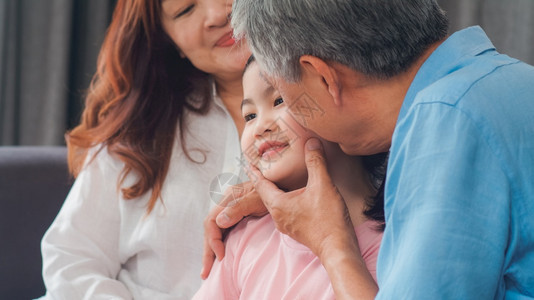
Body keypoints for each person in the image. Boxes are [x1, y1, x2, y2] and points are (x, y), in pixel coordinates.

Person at [202, 0, 534, 298]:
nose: (266, 123)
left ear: (323, 77)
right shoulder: (508, 83)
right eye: (249, 115)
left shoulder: (447, 123)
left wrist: (333, 245)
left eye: (283, 97)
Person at [40, 0, 251, 299]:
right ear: (171, 41)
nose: (217, 14)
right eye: (185, 10)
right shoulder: (138, 130)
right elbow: (71, 260)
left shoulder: (332, 113)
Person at [193, 56, 384, 299]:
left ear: (334, 93)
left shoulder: (394, 244)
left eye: (279, 100)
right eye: (250, 116)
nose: (260, 126)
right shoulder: (246, 237)